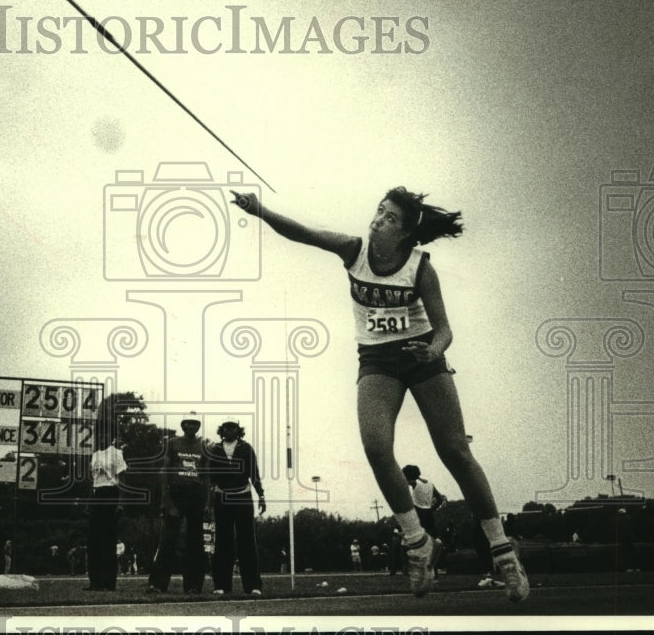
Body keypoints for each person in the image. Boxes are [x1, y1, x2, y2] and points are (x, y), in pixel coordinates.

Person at [230, 186, 529, 602]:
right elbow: (304, 233)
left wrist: (435, 351)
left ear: (405, 234)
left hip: (422, 355)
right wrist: (261, 210)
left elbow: (444, 330)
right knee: (375, 445)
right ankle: (418, 543)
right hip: (377, 360)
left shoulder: (420, 268)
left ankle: (503, 553)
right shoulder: (354, 251)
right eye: (379, 211)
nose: (377, 220)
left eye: (389, 218)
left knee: (455, 451)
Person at [147, 413, 210, 594]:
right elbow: (165, 471)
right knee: (168, 539)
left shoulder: (203, 446)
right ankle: (157, 583)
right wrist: (165, 500)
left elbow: (206, 477)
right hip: (177, 493)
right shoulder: (173, 443)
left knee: (195, 542)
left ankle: (193, 585)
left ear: (198, 427)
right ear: (183, 425)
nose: (192, 427)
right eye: (189, 423)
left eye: (195, 424)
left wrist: (207, 504)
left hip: (196, 494)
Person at [206, 419, 266, 597]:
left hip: (243, 498)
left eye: (232, 427)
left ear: (238, 431)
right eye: (225, 427)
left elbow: (253, 473)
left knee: (247, 541)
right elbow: (211, 477)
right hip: (222, 498)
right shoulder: (215, 449)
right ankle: (221, 585)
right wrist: (209, 503)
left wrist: (261, 495)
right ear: (221, 430)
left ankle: (253, 585)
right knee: (223, 542)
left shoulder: (246, 448)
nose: (229, 430)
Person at [85, 429, 127, 591]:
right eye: (100, 435)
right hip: (97, 494)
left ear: (111, 437)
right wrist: (89, 503)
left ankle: (109, 583)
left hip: (110, 493)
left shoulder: (116, 453)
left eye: (105, 434)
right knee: (93, 540)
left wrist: (120, 503)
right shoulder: (95, 455)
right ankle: (95, 582)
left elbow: (122, 480)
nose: (102, 437)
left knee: (108, 540)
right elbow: (93, 480)